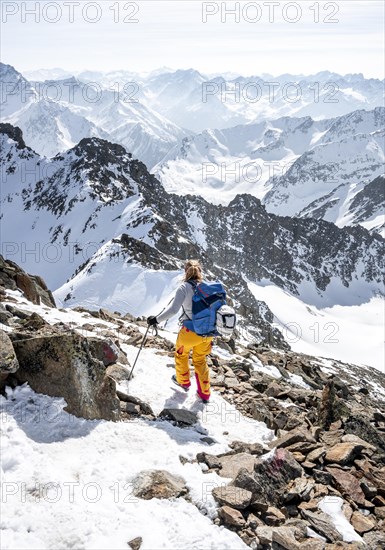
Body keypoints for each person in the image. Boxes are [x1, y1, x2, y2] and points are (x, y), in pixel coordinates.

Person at [147, 259, 213, 402]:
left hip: (190, 331)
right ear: (199, 272)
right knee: (200, 360)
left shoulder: (184, 287)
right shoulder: (208, 287)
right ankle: (205, 393)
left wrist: (156, 320)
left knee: (181, 355)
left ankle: (183, 382)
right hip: (208, 332)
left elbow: (173, 310)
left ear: (186, 272)